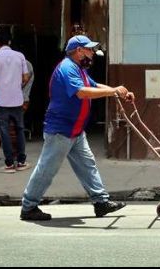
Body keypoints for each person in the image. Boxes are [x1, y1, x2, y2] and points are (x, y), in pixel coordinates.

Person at [20, 35, 135, 221]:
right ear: (79, 50)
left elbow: (94, 86)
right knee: (47, 169)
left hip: (75, 129)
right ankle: (28, 206)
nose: (92, 53)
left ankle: (101, 202)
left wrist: (117, 92)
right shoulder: (67, 68)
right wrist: (114, 91)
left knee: (87, 165)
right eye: (89, 49)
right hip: (61, 130)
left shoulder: (78, 69)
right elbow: (82, 93)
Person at [0, 31, 31, 173]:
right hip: (17, 99)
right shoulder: (20, 56)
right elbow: (25, 77)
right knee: (19, 129)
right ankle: (22, 161)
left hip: (1, 100)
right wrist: (17, 84)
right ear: (9, 42)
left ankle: (9, 164)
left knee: (4, 131)